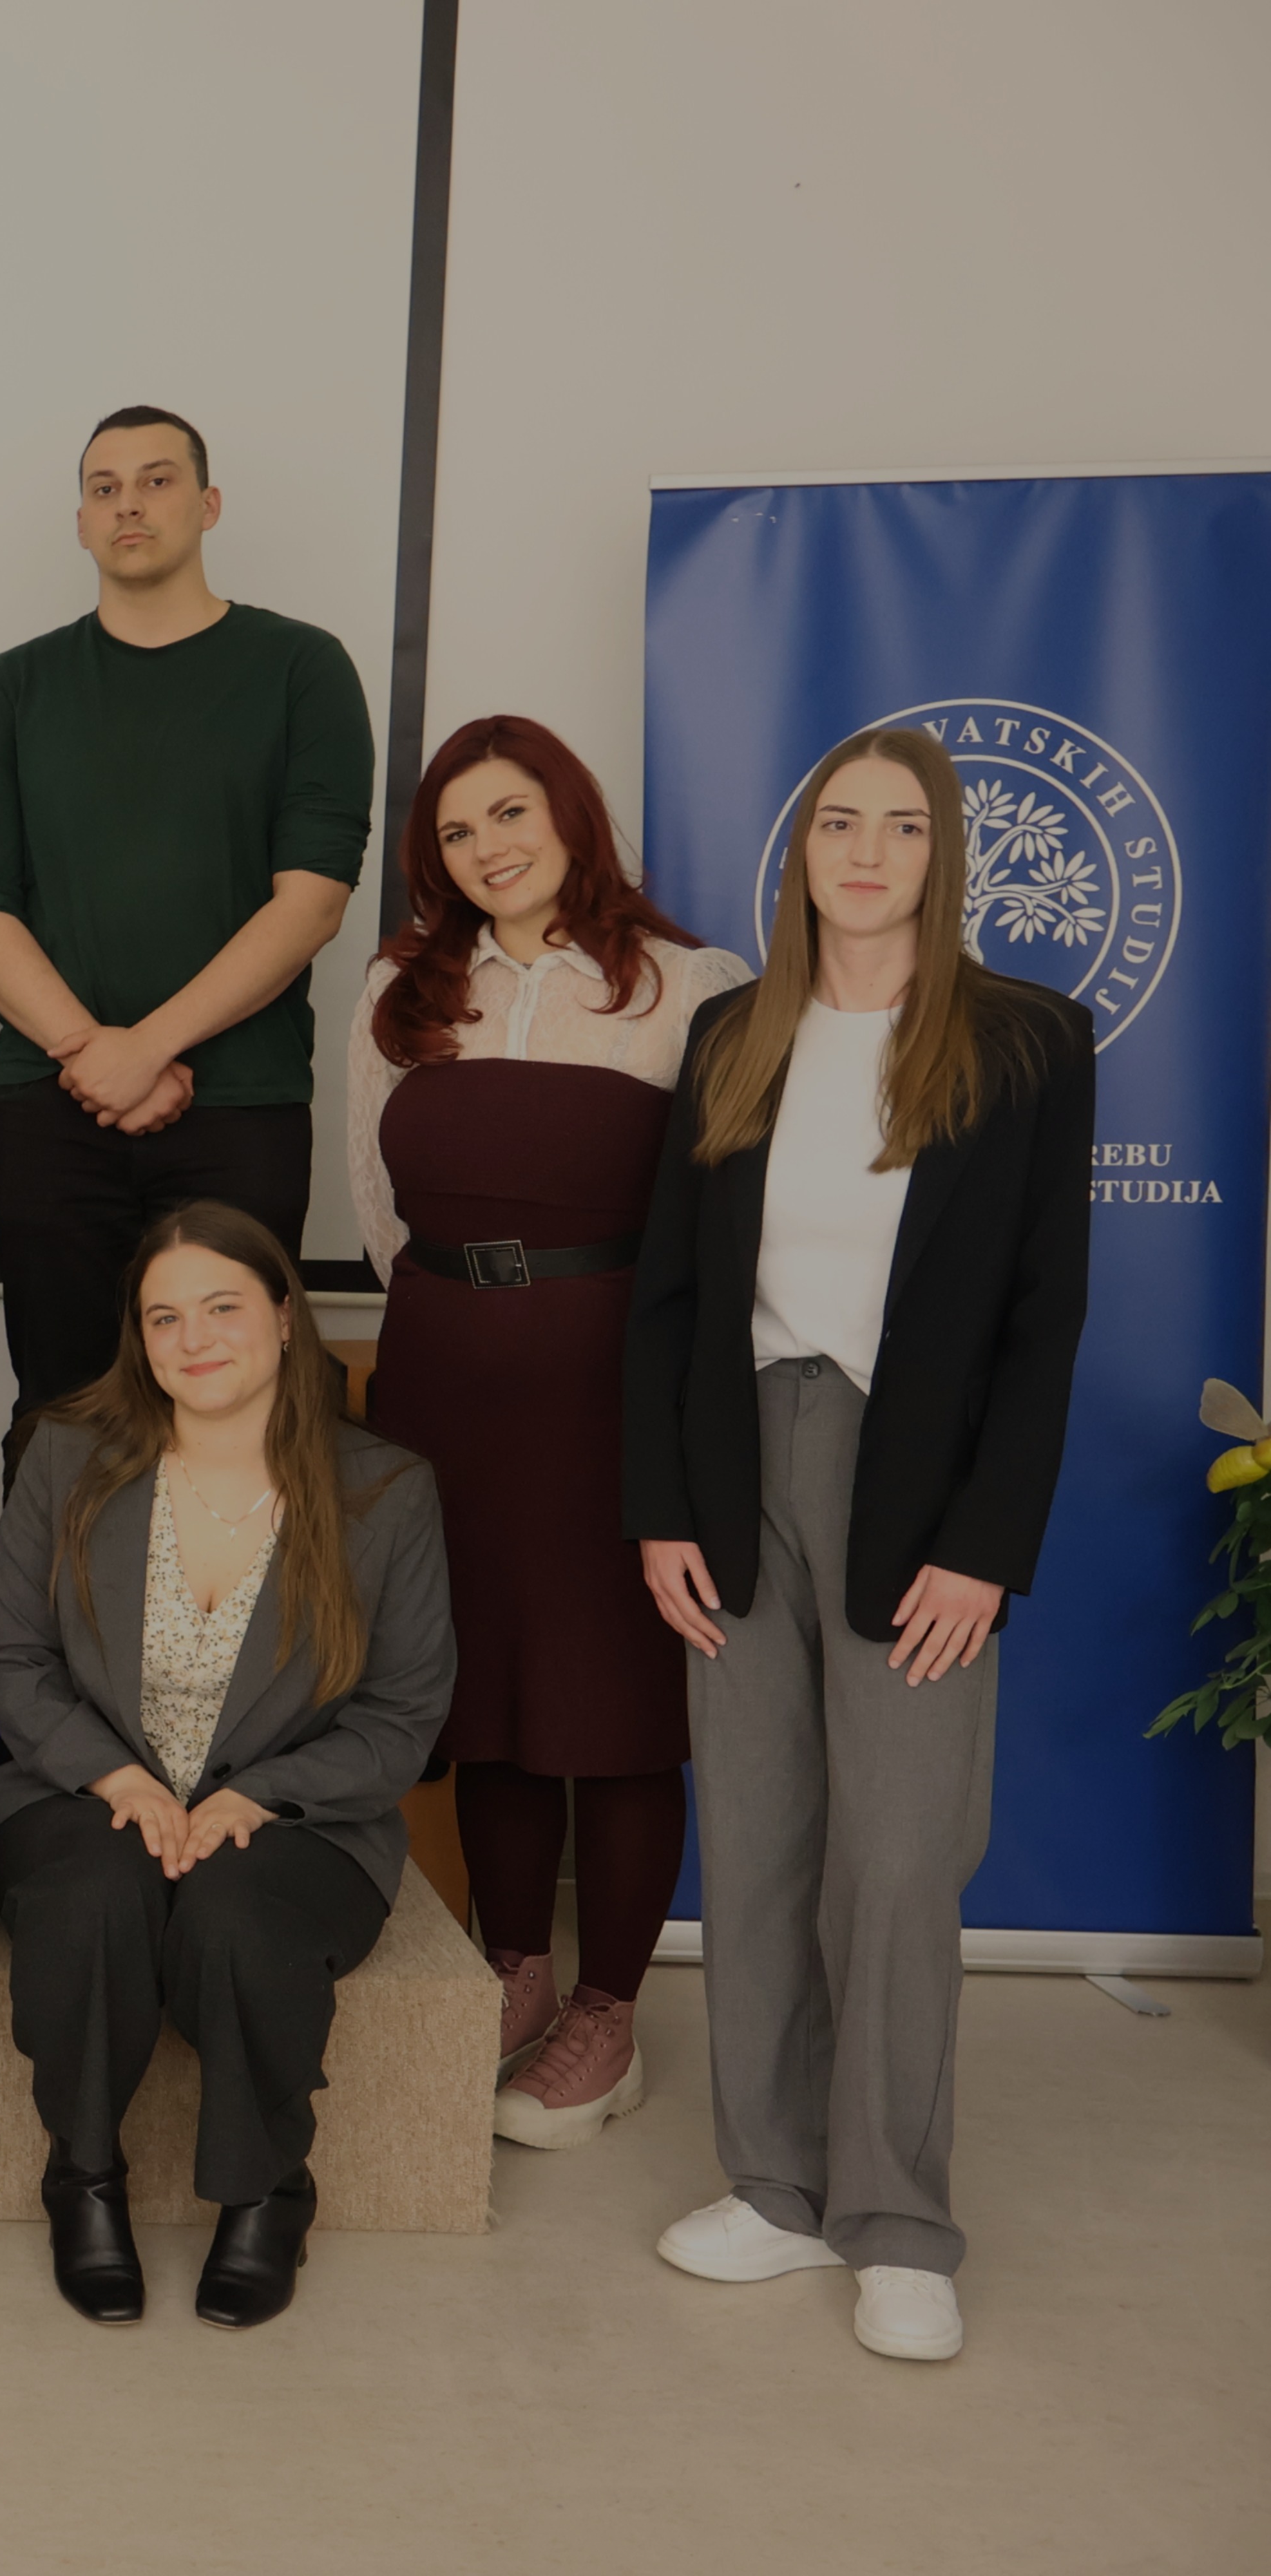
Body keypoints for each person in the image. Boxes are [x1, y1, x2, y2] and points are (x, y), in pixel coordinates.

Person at [627, 726, 1092, 2367]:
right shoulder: (731, 1031)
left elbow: (1044, 1318)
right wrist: (661, 1506)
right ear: (803, 849)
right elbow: (670, 1288)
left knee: (895, 1861)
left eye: (902, 825)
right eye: (841, 822)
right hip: (738, 1466)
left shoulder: (1027, 1038)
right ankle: (775, 2183)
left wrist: (987, 1544)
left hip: (920, 1488)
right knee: (758, 1844)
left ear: (943, 852)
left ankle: (896, 2218)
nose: (869, 852)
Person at [345, 715, 749, 2147]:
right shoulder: (401, 987)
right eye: (457, 832)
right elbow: (376, 1207)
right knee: (492, 1692)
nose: (488, 847)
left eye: (510, 812)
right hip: (445, 1380)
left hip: (619, 1386)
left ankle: (609, 2014)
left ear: (572, 814)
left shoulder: (694, 985)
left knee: (620, 1704)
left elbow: (723, 1221)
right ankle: (514, 1967)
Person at [0, 1202, 450, 2331]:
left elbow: (403, 1715)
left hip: (302, 1819)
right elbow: (10, 1657)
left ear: (285, 1316)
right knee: (95, 1899)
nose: (193, 1339)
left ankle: (265, 2193)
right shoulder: (66, 1458)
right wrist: (117, 1778)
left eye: (223, 1307)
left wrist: (260, 1795)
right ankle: (84, 2177)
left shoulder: (386, 1491)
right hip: (85, 1793)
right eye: (164, 1318)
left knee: (236, 1920)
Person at [0, 405, 376, 1475]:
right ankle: (56, 1600)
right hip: (51, 1110)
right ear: (82, 523)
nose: (128, 504)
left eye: (157, 480)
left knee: (238, 1410)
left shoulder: (302, 669)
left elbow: (312, 901)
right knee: (63, 1412)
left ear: (209, 505)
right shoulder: (15, 687)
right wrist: (91, 1051)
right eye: (104, 488)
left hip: (241, 1106)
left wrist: (147, 1047)